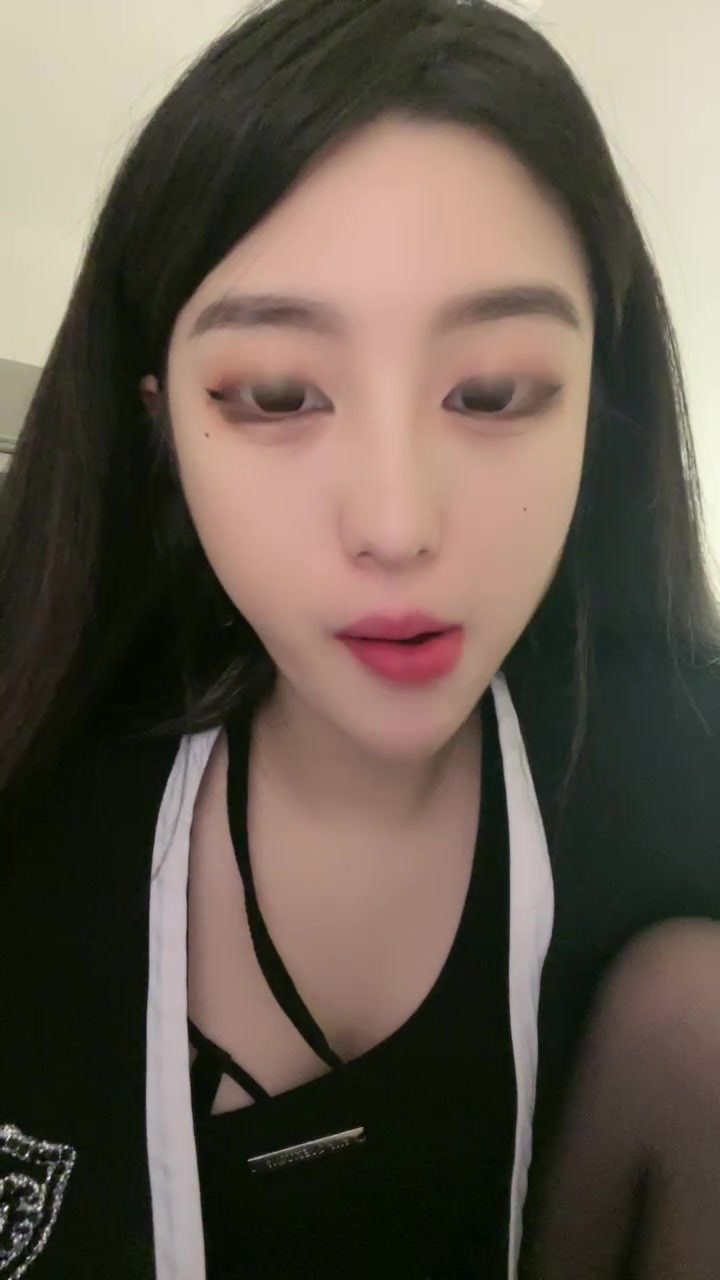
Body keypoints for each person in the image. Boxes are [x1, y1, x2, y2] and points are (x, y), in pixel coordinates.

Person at [1, 0, 720, 1276]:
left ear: (596, 412)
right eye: (279, 393)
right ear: (161, 426)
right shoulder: (42, 802)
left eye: (490, 391)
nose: (396, 524)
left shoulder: (678, 781)